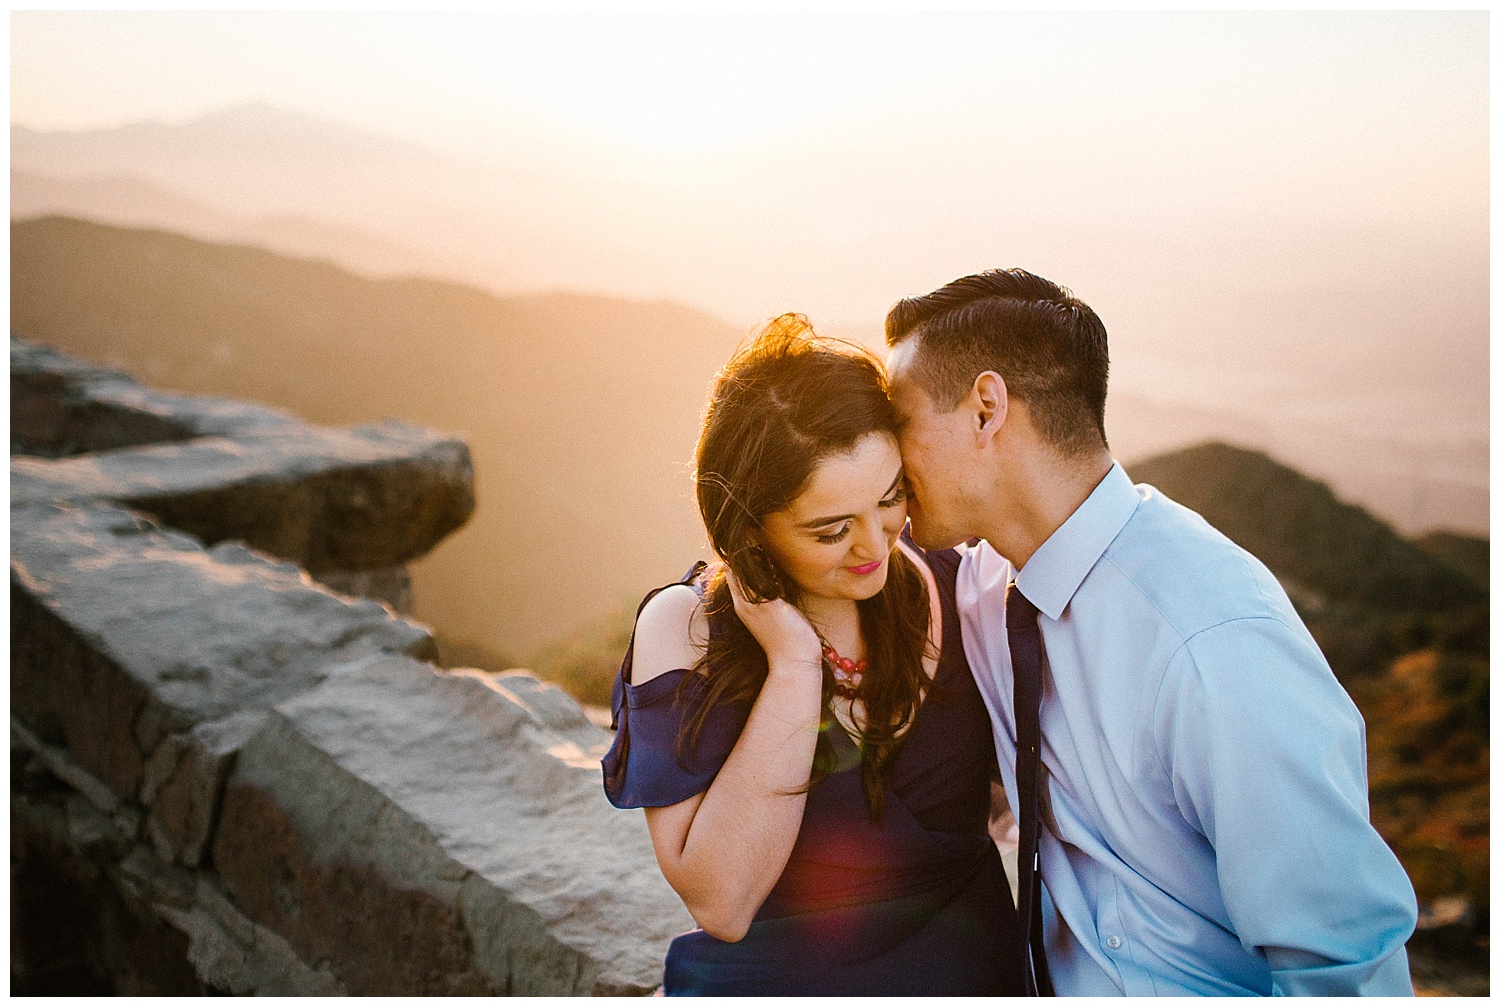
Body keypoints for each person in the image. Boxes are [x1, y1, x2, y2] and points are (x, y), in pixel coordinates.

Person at [881, 267, 1420, 996]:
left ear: (986, 409)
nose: (887, 456)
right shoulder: (980, 587)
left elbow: (1346, 967)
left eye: (901, 423)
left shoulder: (1212, 642)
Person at [601, 314, 1026, 995]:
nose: (874, 545)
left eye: (889, 498)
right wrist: (794, 664)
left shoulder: (953, 580)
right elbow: (723, 901)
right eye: (831, 530)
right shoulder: (687, 632)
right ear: (750, 530)